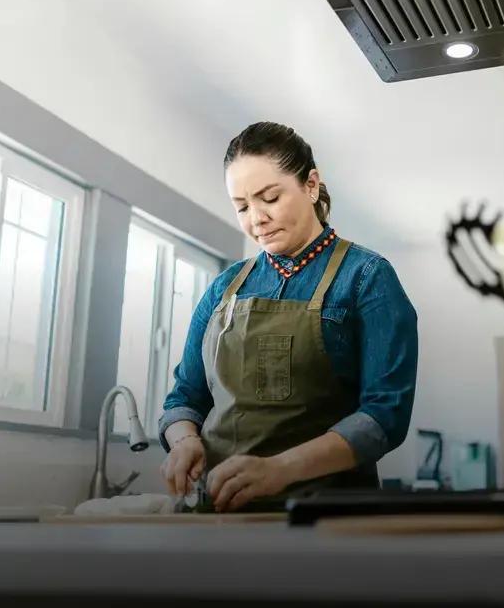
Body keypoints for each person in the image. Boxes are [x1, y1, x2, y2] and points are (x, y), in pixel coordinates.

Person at [158, 121, 418, 512]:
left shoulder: (367, 277)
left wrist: (279, 470)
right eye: (242, 206)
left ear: (311, 185)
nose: (256, 218)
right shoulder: (225, 287)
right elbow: (184, 398)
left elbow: (385, 416)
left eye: (270, 198)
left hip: (325, 517)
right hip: (219, 514)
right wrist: (184, 441)